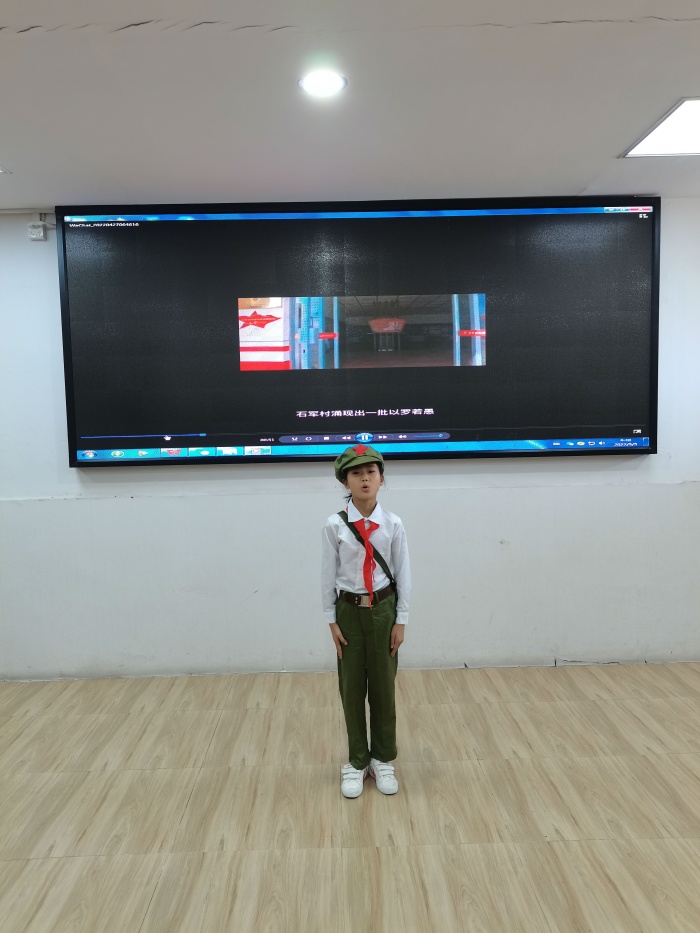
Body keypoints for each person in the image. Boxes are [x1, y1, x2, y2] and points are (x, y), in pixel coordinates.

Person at [321, 443, 411, 797]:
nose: (364, 479)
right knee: (352, 687)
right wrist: (331, 619)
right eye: (356, 473)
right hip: (348, 611)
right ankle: (357, 760)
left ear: (381, 479)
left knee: (384, 687)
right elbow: (327, 574)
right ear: (345, 482)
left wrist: (401, 619)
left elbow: (403, 573)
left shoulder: (393, 524)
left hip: (384, 610)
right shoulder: (335, 525)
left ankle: (382, 759)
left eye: (371, 472)